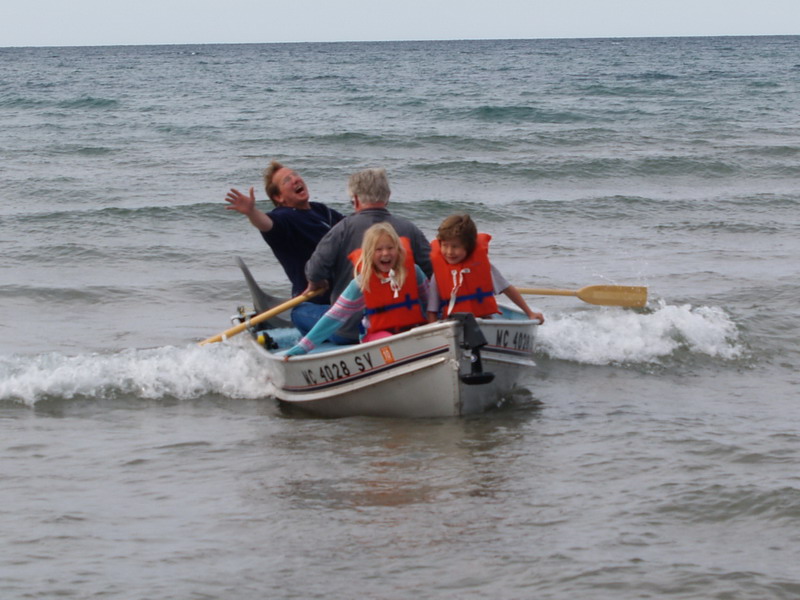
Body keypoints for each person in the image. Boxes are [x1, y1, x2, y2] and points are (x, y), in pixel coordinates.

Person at [301, 168, 432, 343]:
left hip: (348, 332)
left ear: (355, 200)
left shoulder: (342, 229)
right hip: (402, 327)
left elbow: (315, 271)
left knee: (299, 311)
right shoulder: (409, 228)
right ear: (387, 197)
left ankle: (314, 344)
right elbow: (431, 269)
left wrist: (316, 282)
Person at [225, 161, 344, 333]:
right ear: (279, 197)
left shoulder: (321, 210)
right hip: (316, 302)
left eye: (295, 174)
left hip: (344, 292)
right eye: (287, 180)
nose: (295, 179)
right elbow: (268, 225)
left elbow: (352, 227)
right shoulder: (284, 218)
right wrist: (252, 212)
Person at [285, 222, 429, 356]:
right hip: (377, 335)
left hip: (410, 330)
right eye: (378, 249)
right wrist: (302, 347)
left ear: (398, 249)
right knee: (390, 342)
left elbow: (429, 301)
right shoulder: (361, 283)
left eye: (390, 248)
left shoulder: (414, 272)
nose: (385, 253)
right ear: (369, 253)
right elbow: (335, 316)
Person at [427, 214, 544, 323]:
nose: (449, 252)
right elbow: (432, 310)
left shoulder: (482, 267)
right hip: (452, 322)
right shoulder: (438, 274)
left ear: (468, 246)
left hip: (484, 319)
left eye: (455, 246)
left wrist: (530, 313)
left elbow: (507, 289)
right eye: (445, 245)